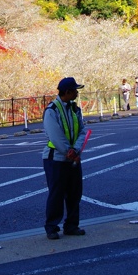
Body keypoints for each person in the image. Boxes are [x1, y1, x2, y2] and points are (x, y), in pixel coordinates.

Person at [42, 77, 87, 240]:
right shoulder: (52, 110)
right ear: (67, 92)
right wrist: (68, 151)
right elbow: (55, 135)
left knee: (75, 193)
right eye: (75, 90)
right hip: (56, 159)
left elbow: (82, 130)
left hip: (72, 157)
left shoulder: (75, 109)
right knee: (57, 194)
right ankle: (52, 227)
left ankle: (72, 225)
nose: (76, 93)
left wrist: (76, 150)